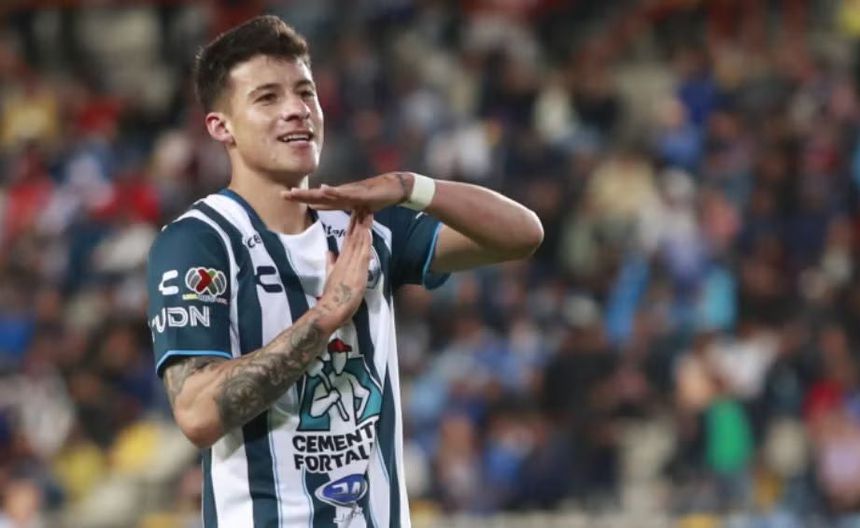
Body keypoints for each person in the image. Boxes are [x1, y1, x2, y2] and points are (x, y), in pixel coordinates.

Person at [147, 15, 543, 528]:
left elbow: (521, 234)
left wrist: (410, 186)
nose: (296, 109)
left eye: (305, 92)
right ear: (221, 127)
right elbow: (197, 414)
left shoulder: (364, 223)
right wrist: (327, 315)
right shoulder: (198, 240)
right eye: (267, 98)